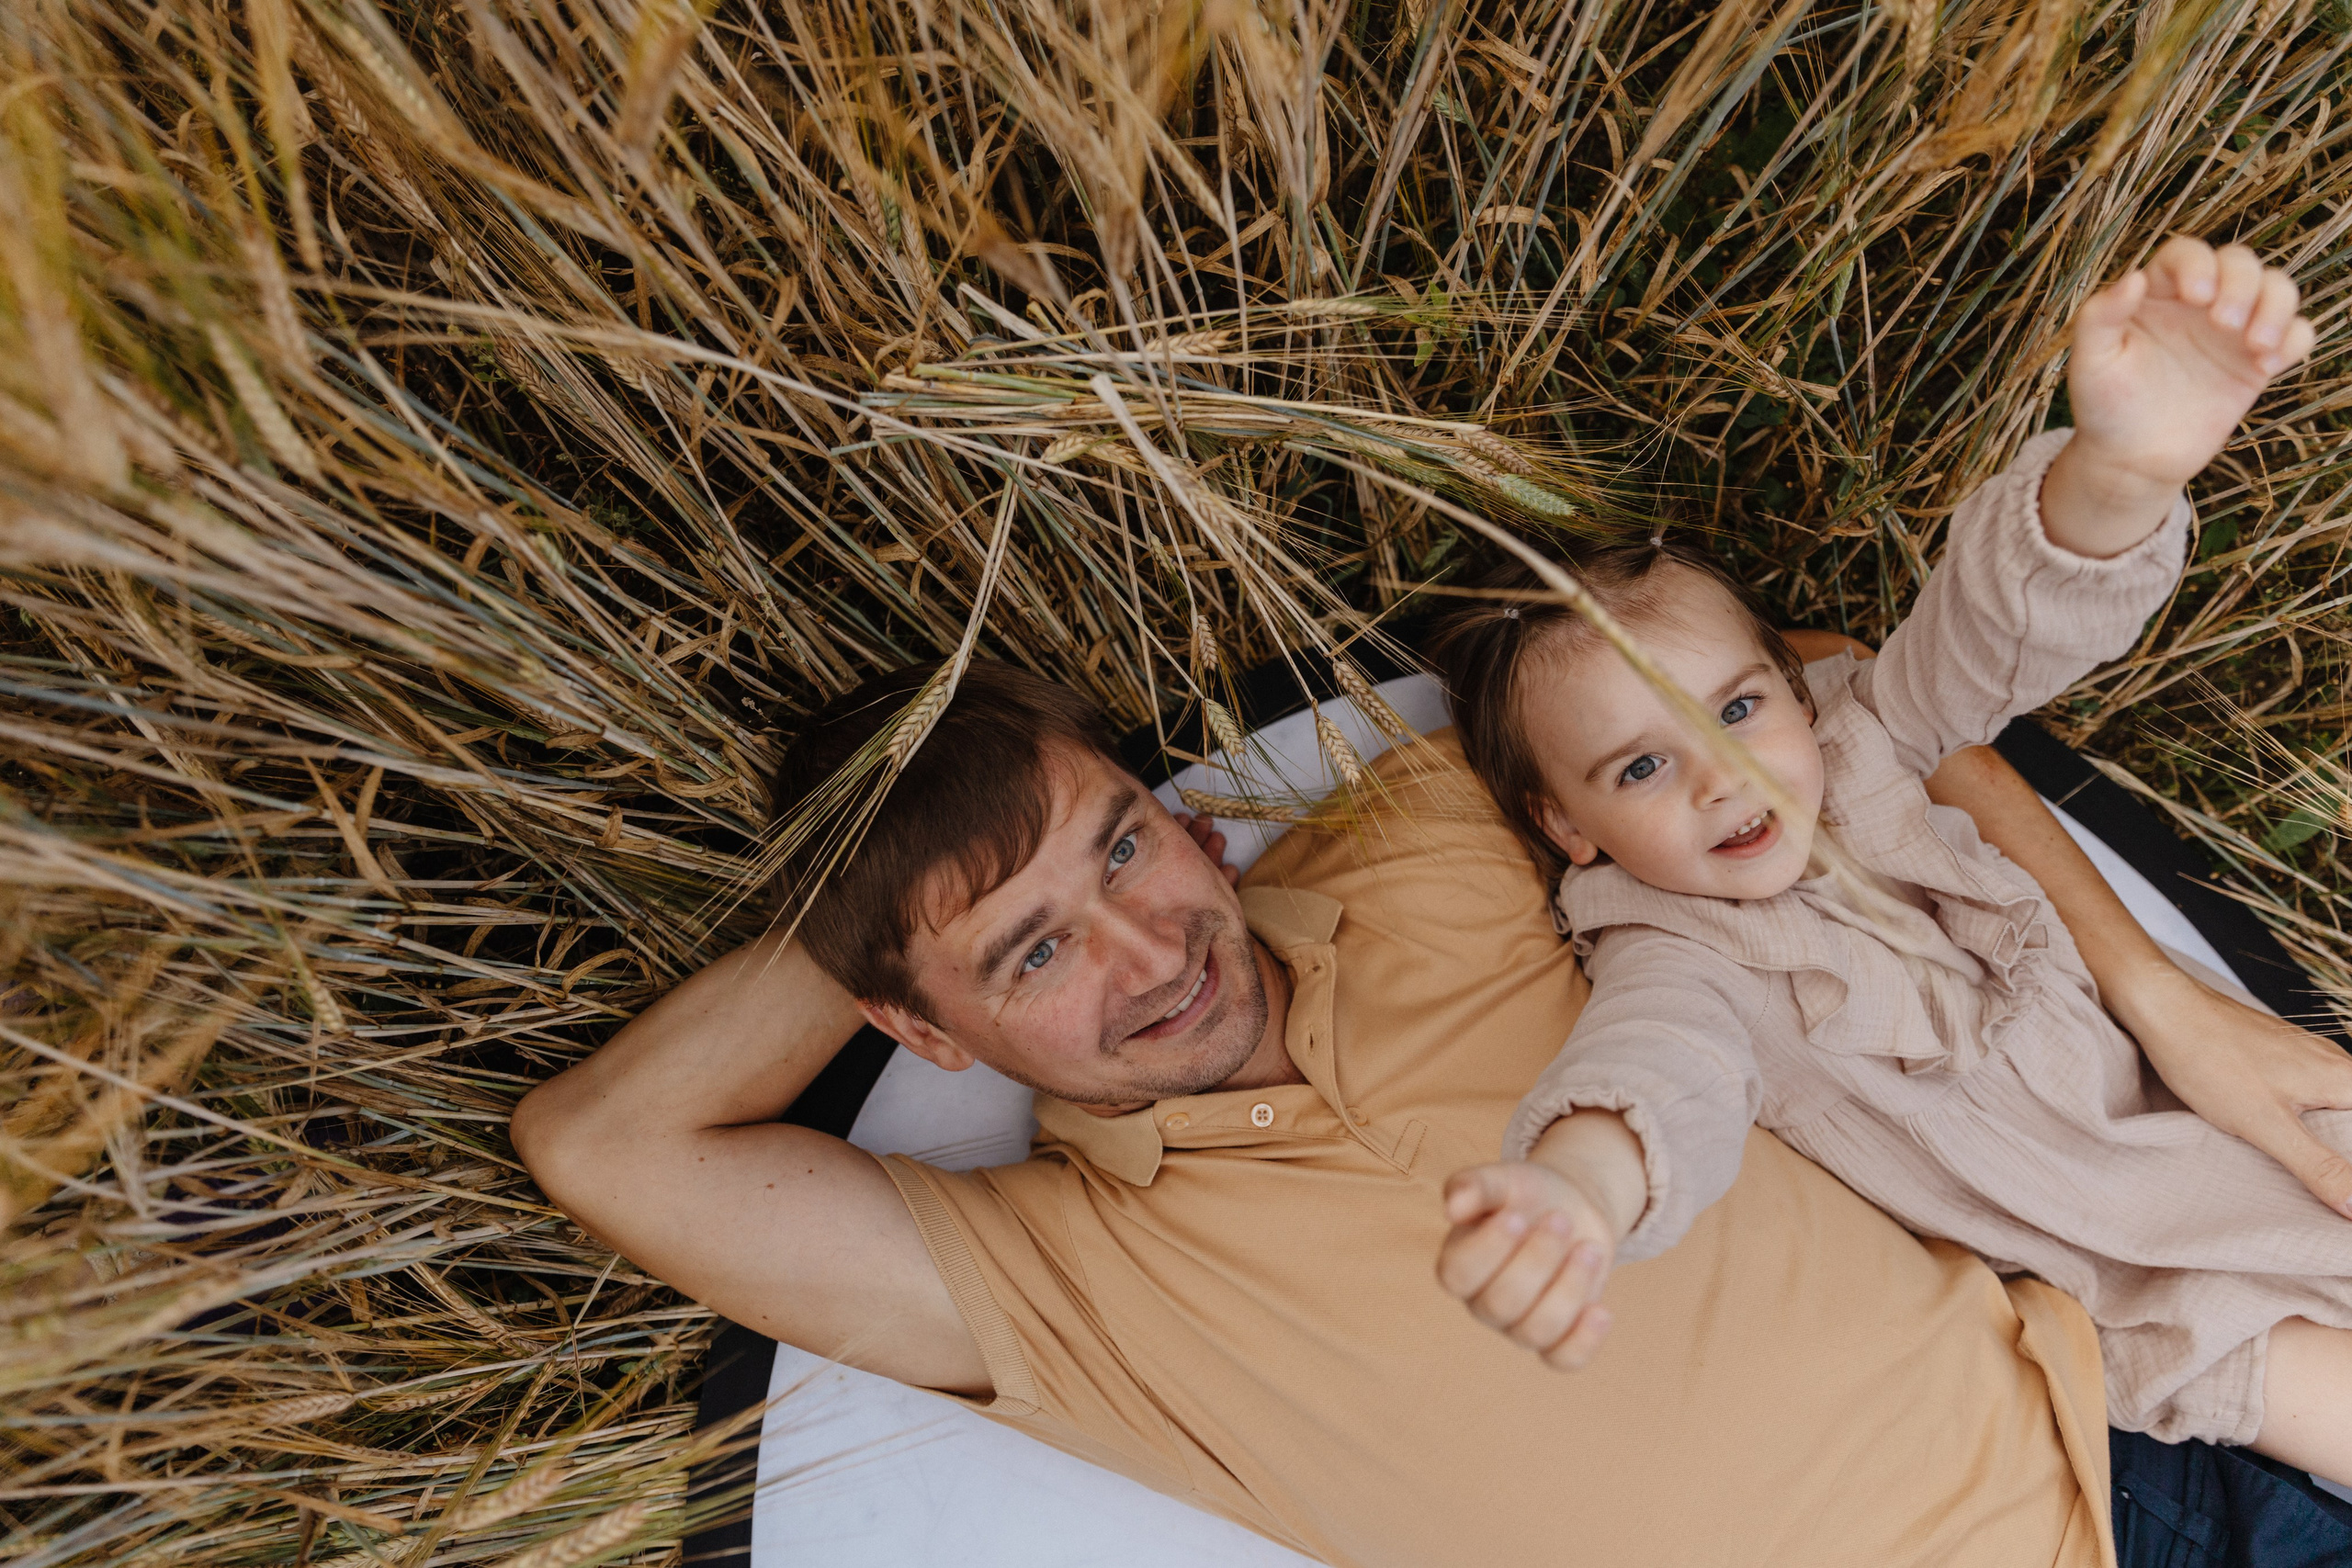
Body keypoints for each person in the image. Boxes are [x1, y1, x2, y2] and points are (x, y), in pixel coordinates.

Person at [516, 655, 2352, 1564]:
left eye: (1124, 843)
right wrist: (882, 860)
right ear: (928, 1033)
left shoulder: (1414, 843)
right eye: (1031, 951)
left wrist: (2159, 993)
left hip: (2142, 1470)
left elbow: (1824, 687)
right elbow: (599, 1147)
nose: (1148, 943)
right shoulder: (1048, 1281)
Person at [1425, 237, 2352, 1482]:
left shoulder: (1871, 734)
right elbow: (1655, 1075)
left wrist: (2118, 471)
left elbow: (1994, 626)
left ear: (1795, 695)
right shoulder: (1675, 956)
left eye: (1739, 709)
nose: (1724, 776)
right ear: (1568, 827)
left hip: (2213, 1123)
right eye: (1641, 768)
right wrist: (1577, 1194)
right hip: (2148, 1292)